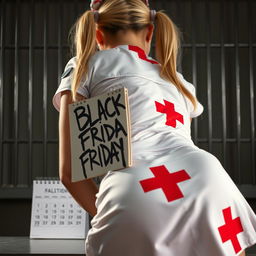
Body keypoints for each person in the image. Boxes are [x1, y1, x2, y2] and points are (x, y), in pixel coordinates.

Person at [52, 0, 256, 255]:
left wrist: (113, 211)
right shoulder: (176, 79)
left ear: (97, 33)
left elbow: (70, 172)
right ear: (150, 32)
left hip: (132, 188)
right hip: (208, 178)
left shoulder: (84, 65)